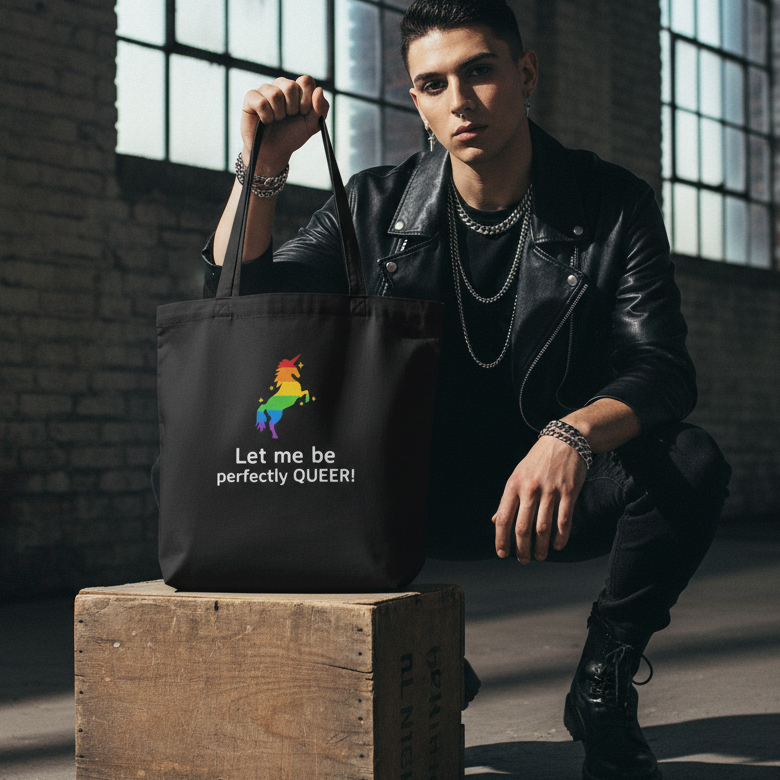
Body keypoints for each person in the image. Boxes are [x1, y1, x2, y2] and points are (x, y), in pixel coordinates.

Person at [200, 1, 731, 777]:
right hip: (405, 498)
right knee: (260, 464)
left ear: (525, 73)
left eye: (480, 71)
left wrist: (571, 433)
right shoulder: (378, 207)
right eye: (434, 82)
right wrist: (263, 166)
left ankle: (603, 678)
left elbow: (663, 370)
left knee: (690, 461)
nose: (461, 100)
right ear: (415, 98)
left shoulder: (610, 204)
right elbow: (239, 301)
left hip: (550, 496)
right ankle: (429, 659)